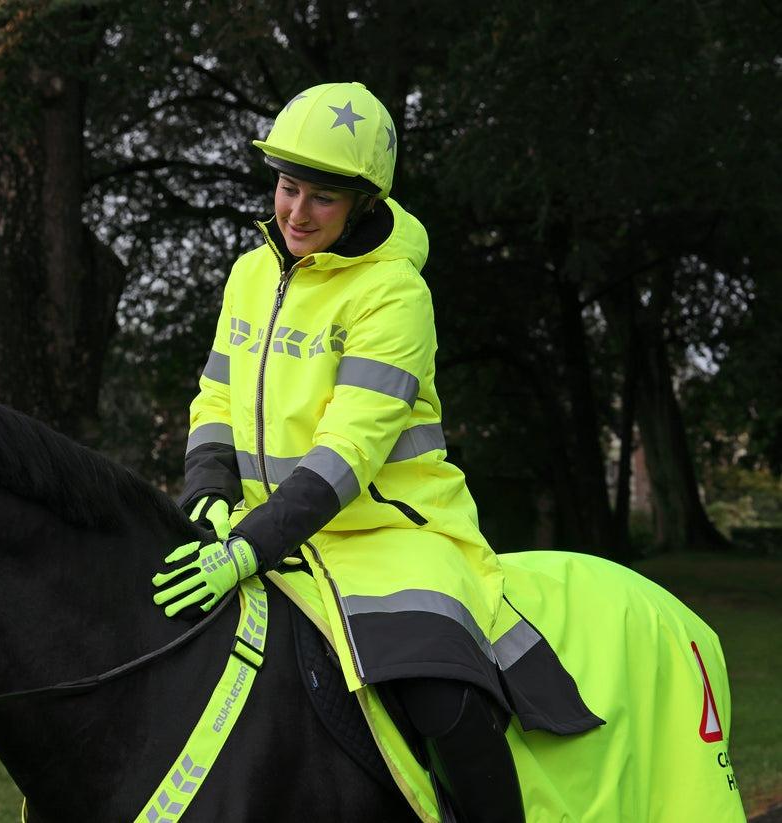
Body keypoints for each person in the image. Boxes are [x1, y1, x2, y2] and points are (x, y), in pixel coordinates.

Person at [152, 81, 601, 823]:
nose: (296, 213)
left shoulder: (395, 295)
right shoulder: (248, 274)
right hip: (266, 531)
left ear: (362, 204)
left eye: (322, 198)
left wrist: (250, 546)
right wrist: (206, 487)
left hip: (391, 537)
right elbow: (217, 396)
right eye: (287, 188)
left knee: (442, 697)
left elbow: (348, 451)